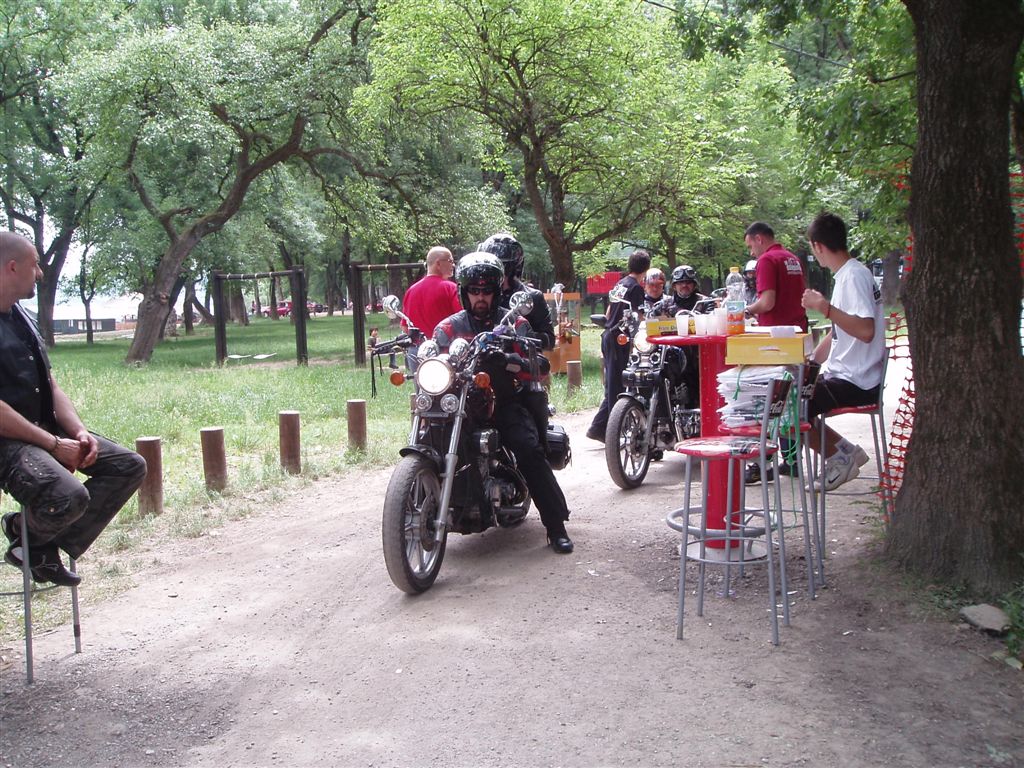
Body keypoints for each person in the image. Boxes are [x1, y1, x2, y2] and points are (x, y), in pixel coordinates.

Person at [0, 232, 147, 587]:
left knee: (128, 466)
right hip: (7, 443)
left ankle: (34, 544)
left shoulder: (22, 316)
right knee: (67, 495)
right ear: (12, 267)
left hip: (43, 431)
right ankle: (28, 536)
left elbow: (50, 386)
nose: (40, 274)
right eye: (35, 265)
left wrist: (78, 432)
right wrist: (53, 444)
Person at [433, 253, 573, 554]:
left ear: (496, 292)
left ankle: (556, 526)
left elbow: (540, 365)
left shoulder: (514, 323)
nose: (480, 297)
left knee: (528, 448)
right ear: (464, 292)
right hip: (461, 406)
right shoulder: (448, 328)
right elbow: (435, 357)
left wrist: (509, 359)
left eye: (486, 290)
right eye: (474, 290)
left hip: (503, 403)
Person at [800, 212, 885, 490]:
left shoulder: (853, 277)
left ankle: (839, 457)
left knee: (789, 408)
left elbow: (865, 330)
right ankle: (846, 451)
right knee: (792, 392)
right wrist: (811, 362)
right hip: (849, 375)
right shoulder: (849, 274)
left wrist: (824, 308)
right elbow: (840, 330)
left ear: (817, 246)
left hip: (857, 380)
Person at [586, 249, 651, 442]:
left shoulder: (620, 284)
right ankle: (609, 431)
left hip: (608, 334)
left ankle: (599, 428)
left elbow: (609, 311)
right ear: (646, 268)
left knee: (612, 383)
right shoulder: (636, 288)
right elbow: (640, 317)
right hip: (620, 339)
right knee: (618, 385)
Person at [478, 233, 555, 349]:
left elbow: (549, 341)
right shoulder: (479, 296)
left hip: (519, 358)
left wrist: (519, 334)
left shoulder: (532, 297)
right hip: (481, 356)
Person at [743, 222, 808, 331]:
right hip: (799, 329)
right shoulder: (793, 258)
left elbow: (767, 303)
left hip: (776, 332)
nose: (751, 253)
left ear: (758, 239)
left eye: (750, 247)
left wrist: (746, 311)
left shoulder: (766, 260)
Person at [667, 265, 713, 410]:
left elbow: (712, 320)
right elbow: (650, 320)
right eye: (680, 283)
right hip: (672, 355)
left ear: (694, 285)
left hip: (700, 355)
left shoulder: (705, 302)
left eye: (688, 282)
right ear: (674, 286)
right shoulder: (664, 304)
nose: (684, 285)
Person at [401, 246, 461, 338]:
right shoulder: (451, 288)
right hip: (446, 345)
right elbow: (463, 321)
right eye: (450, 261)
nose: (453, 265)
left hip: (420, 346)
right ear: (438, 263)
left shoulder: (410, 291)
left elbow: (405, 327)